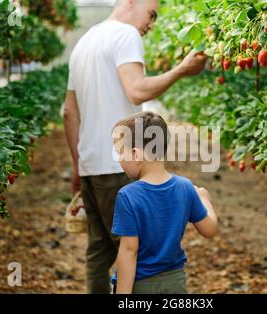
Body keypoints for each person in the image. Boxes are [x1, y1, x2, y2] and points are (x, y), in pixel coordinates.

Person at [63, 0, 207, 294]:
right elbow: (137, 89)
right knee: (136, 253)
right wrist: (182, 70)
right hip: (120, 164)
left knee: (98, 251)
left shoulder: (84, 42)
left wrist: (78, 166)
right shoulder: (125, 34)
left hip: (92, 165)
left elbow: (69, 112)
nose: (150, 24)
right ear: (130, 2)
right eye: (151, 14)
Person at [111, 111, 218, 294]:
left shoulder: (128, 196)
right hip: (175, 282)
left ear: (136, 154)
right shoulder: (185, 187)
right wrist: (204, 200)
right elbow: (209, 230)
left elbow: (129, 252)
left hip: (140, 284)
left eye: (120, 152)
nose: (119, 159)